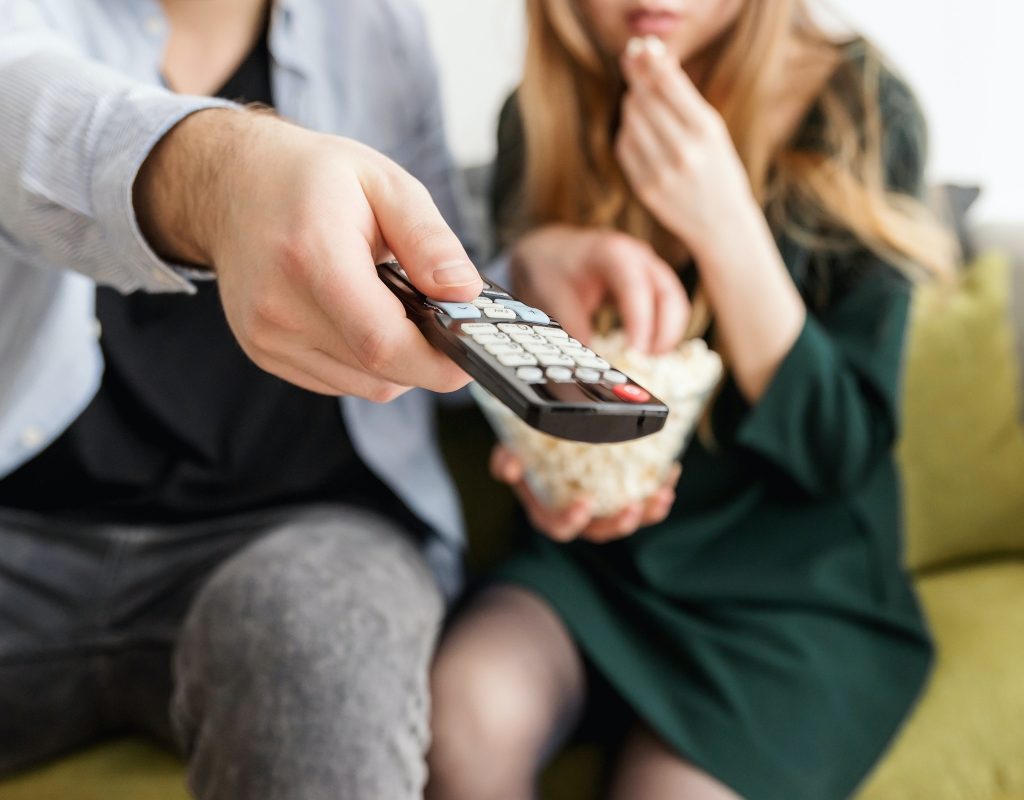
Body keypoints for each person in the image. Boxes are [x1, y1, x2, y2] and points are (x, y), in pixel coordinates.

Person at [427, 1, 957, 799]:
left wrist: (725, 223)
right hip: (595, 572)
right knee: (461, 715)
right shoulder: (538, 119)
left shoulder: (861, 108)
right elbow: (539, 406)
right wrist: (550, 468)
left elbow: (839, 451)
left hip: (792, 596)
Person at [0, 0, 482, 797]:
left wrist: (538, 270)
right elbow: (19, 103)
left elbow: (450, 259)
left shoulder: (380, 24)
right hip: (21, 531)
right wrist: (226, 179)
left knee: (315, 644)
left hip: (309, 530)